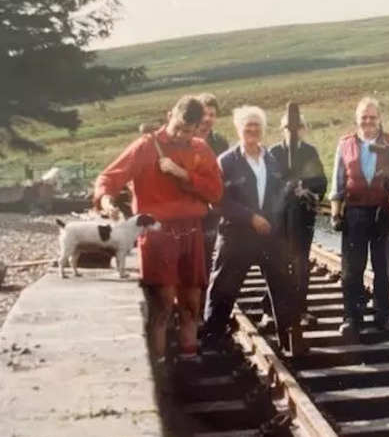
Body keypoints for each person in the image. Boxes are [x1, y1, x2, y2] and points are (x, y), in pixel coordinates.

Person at [93, 95, 223, 368]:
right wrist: (106, 201)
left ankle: (189, 364)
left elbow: (216, 191)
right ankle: (162, 371)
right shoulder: (145, 147)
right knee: (162, 305)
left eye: (188, 130)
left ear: (197, 128)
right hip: (157, 235)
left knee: (191, 303)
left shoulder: (201, 149)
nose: (181, 134)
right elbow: (109, 178)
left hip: (191, 233)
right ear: (169, 115)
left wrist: (184, 175)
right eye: (178, 127)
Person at [202, 105, 304, 355]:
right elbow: (217, 200)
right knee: (223, 289)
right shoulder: (226, 161)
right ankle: (212, 342)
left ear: (263, 129)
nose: (252, 130)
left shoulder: (273, 160)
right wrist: (250, 217)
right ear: (238, 129)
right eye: (247, 126)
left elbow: (281, 194)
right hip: (237, 236)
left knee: (283, 286)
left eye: (257, 125)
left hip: (270, 235)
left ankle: (290, 341)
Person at [329, 96, 389, 342]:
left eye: (373, 117)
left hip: (383, 212)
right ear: (357, 120)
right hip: (355, 212)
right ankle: (352, 317)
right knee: (352, 268)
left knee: (383, 267)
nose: (368, 122)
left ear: (379, 119)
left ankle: (384, 316)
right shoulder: (345, 144)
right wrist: (335, 213)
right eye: (364, 118)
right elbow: (338, 182)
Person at [267, 112, 327, 326]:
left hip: (303, 217)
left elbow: (321, 182)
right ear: (282, 129)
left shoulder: (310, 152)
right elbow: (268, 185)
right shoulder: (273, 152)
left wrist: (307, 190)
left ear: (304, 128)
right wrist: (286, 189)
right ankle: (271, 310)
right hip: (279, 220)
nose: (293, 132)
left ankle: (301, 310)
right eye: (288, 128)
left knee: (301, 264)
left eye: (298, 127)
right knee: (278, 264)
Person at [196, 93, 229, 279]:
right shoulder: (184, 138)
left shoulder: (220, 142)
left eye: (212, 115)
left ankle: (202, 301)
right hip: (188, 206)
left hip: (211, 209)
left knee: (207, 251)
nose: (208, 119)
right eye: (204, 114)